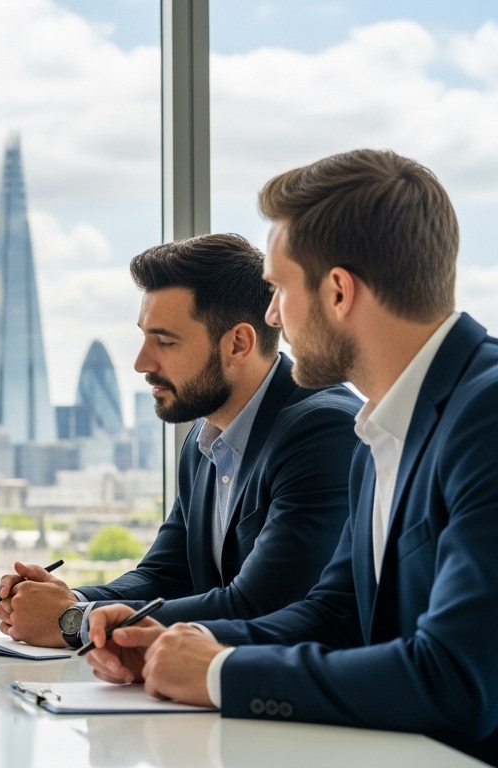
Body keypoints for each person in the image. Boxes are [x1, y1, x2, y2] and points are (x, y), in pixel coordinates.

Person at [82, 149, 498, 764]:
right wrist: (174, 641)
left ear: (337, 292)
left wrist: (223, 674)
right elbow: (335, 614)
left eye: (277, 289)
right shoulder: (377, 434)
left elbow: (458, 678)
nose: (272, 313)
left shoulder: (485, 417)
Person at [0, 234, 360, 648]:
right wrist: (66, 599)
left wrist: (75, 620)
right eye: (145, 337)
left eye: (164, 342)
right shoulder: (205, 440)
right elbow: (165, 575)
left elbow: (262, 606)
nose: (141, 363)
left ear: (238, 343)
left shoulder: (321, 431)